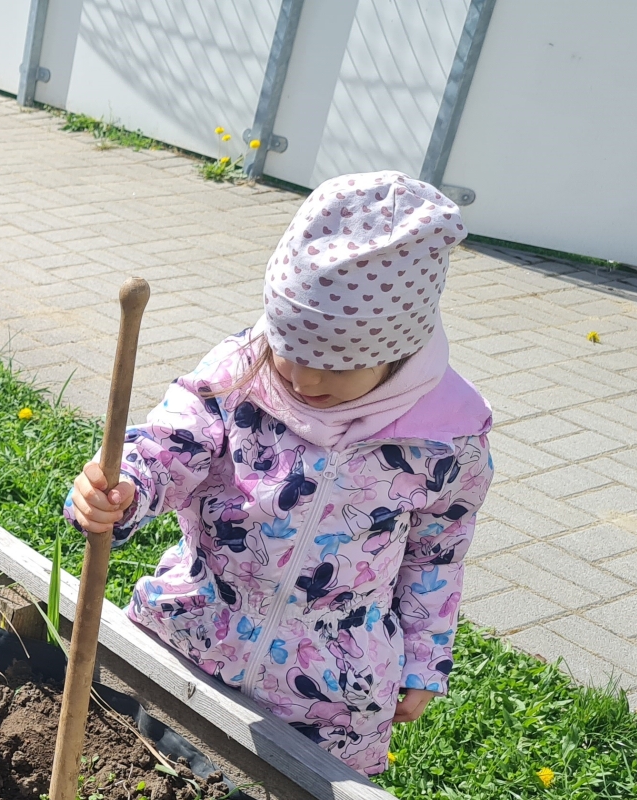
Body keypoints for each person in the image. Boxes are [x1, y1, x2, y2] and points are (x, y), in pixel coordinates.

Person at [66, 171, 493, 775]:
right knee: (146, 767)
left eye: (336, 366)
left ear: (397, 354)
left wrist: (425, 658)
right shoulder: (239, 375)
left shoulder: (444, 440)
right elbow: (173, 443)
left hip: (330, 694)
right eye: (290, 350)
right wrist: (128, 487)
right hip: (197, 631)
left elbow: (438, 555)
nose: (304, 380)